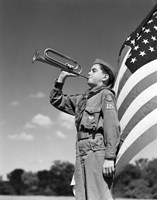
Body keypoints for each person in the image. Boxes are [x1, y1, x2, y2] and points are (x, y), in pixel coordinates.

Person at [49, 58, 120, 200]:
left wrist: (109, 157)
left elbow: (111, 125)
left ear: (105, 77)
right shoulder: (83, 99)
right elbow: (56, 99)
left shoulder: (106, 94)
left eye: (94, 70)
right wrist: (62, 77)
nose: (89, 73)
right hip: (81, 150)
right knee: (82, 196)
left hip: (97, 150)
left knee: (98, 196)